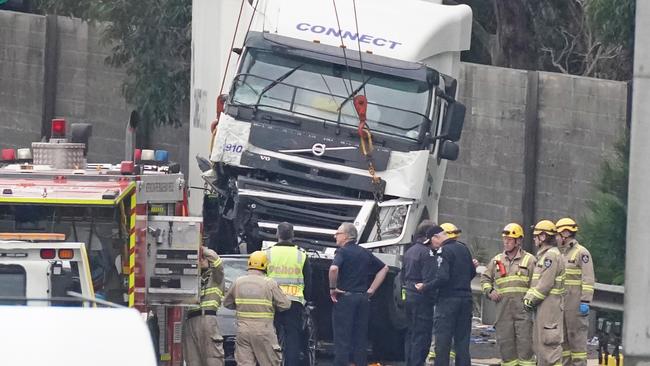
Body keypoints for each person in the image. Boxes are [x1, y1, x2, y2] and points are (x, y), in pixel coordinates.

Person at [329, 222, 389, 366]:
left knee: (342, 337)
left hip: (346, 298)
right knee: (360, 337)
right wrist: (372, 289)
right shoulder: (364, 252)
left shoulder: (342, 252)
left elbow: (333, 269)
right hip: (362, 299)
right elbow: (384, 268)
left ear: (346, 236)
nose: (335, 236)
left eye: (338, 233)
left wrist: (332, 288)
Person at [416, 224, 476, 366]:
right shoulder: (464, 248)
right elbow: (472, 272)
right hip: (466, 300)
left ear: (437, 237)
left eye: (432, 242)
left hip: (448, 301)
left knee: (443, 343)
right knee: (462, 342)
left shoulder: (444, 250)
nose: (432, 246)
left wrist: (425, 286)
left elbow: (443, 278)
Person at [481, 223, 536, 366]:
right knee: (506, 349)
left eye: (510, 239)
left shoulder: (530, 260)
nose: (506, 242)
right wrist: (490, 291)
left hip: (524, 313)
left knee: (526, 348)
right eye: (505, 239)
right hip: (503, 313)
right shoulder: (497, 260)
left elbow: (537, 284)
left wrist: (530, 301)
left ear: (518, 241)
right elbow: (485, 279)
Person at [223, 251, 291, 366]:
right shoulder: (270, 283)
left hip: (243, 330)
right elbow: (285, 305)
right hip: (264, 331)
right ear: (265, 265)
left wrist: (242, 306)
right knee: (270, 362)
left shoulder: (238, 282)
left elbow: (227, 303)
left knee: (245, 363)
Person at [266, 222, 312, 366]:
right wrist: (306, 300)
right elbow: (308, 281)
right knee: (293, 338)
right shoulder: (301, 255)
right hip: (294, 302)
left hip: (271, 302)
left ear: (277, 234)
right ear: (293, 235)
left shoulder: (267, 253)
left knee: (270, 335)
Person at [523, 220, 566, 366]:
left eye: (536, 236)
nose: (534, 239)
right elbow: (536, 283)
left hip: (550, 310)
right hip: (543, 309)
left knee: (550, 352)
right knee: (541, 350)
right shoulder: (544, 256)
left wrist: (530, 300)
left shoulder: (550, 256)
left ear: (543, 237)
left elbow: (545, 285)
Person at [555, 218, 595, 366]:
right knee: (564, 344)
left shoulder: (581, 253)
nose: (557, 238)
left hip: (576, 307)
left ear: (566, 233)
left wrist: (585, 301)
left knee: (577, 344)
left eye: (558, 234)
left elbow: (588, 278)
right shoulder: (561, 254)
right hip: (562, 306)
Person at [182, 246, 226, 366]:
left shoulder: (216, 277)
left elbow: (218, 263)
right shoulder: (193, 277)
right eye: (199, 258)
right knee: (193, 360)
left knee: (213, 359)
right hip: (190, 321)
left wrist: (202, 250)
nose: (201, 260)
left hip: (207, 319)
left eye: (203, 258)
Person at [402, 220, 436, 366]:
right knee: (422, 335)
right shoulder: (427, 253)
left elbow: (403, 274)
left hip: (408, 295)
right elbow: (429, 279)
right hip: (422, 299)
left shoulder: (410, 250)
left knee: (411, 333)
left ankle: (409, 362)